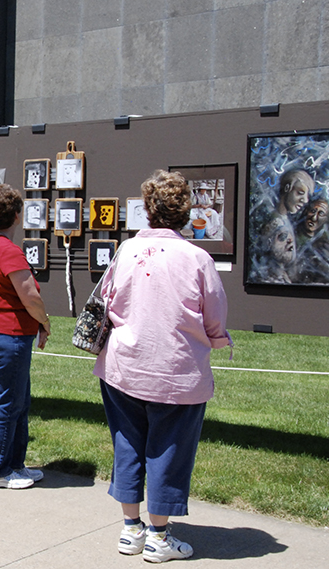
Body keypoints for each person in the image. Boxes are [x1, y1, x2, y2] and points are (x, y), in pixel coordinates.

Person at [94, 170, 230, 563]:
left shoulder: (126, 251)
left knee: (128, 446)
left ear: (147, 209)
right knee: (169, 452)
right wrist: (217, 340)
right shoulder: (198, 258)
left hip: (123, 367)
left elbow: (107, 298)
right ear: (185, 212)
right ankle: (158, 535)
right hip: (176, 372)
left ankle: (130, 529)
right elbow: (215, 317)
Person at [0, 184, 51, 490]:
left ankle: (15, 465)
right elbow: (29, 295)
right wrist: (44, 322)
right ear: (17, 216)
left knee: (18, 402)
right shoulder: (8, 250)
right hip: (9, 334)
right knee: (8, 404)